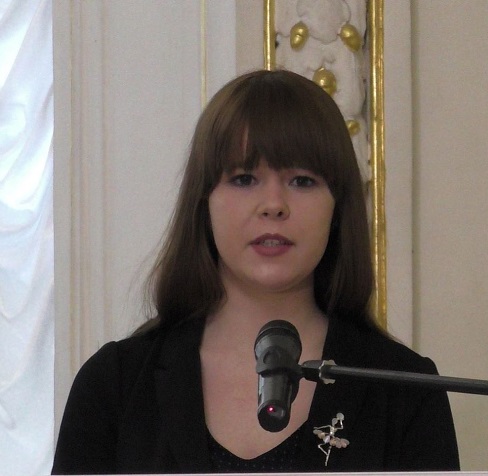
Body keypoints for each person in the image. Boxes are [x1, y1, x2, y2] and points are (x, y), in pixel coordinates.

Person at [52, 69, 460, 474]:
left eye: (302, 181)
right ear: (204, 202)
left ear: (338, 208)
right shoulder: (114, 385)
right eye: (245, 178)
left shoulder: (405, 388)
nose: (274, 205)